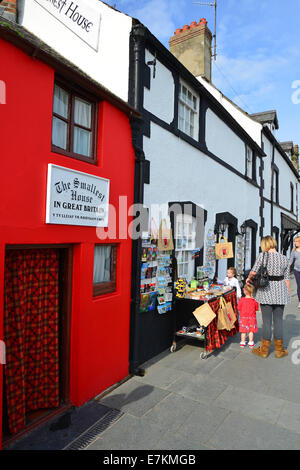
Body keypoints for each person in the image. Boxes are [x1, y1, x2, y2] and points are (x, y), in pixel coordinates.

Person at [246, 235, 290, 359]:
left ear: (264, 245)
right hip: (280, 292)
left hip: (265, 291)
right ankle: (279, 350)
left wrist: (248, 280)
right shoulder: (284, 258)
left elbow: (253, 272)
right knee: (278, 321)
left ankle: (264, 350)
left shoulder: (262, 256)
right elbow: (287, 279)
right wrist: (286, 293)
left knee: (266, 322)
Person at [237, 284, 259, 349]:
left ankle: (242, 342)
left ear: (245, 291)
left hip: (243, 317)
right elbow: (257, 308)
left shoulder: (241, 300)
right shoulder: (254, 301)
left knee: (243, 331)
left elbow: (238, 308)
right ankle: (251, 342)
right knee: (251, 331)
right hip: (252, 317)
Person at [289, 236, 300, 308]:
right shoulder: (294, 250)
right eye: (294, 241)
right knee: (299, 286)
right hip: (296, 270)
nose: (295, 243)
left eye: (296, 241)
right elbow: (291, 261)